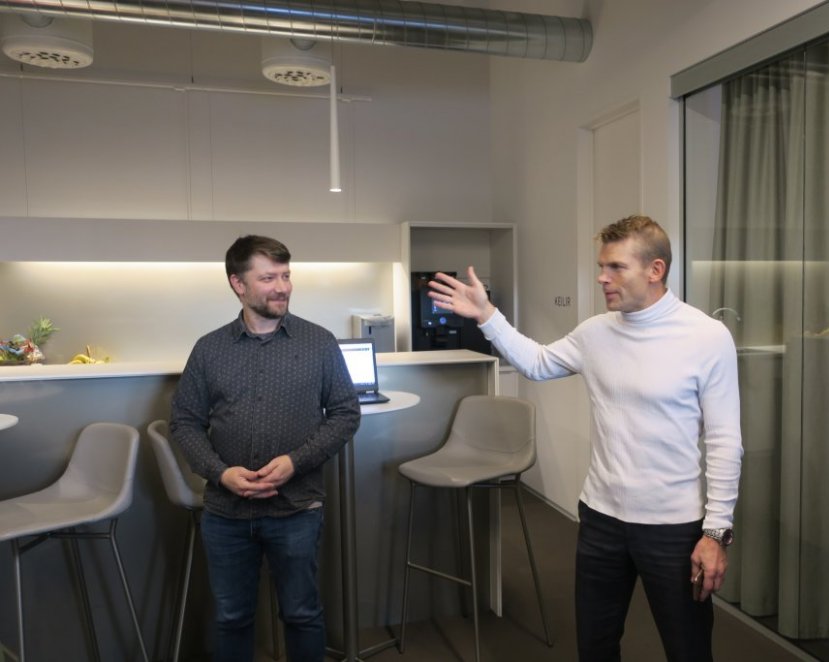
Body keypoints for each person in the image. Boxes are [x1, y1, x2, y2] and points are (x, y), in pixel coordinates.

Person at [428, 215, 743, 662]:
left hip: (673, 528)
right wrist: (487, 316)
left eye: (616, 267)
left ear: (655, 270)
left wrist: (715, 532)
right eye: (601, 266)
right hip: (600, 519)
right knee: (595, 647)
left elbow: (725, 442)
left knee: (688, 650)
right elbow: (538, 363)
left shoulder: (706, 337)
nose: (602, 278)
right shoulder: (596, 332)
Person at [170, 234, 361, 662]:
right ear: (238, 284)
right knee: (232, 618)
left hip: (297, 507)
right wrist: (220, 472)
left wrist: (296, 462)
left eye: (286, 276)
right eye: (269, 277)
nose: (283, 287)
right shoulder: (209, 349)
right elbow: (184, 421)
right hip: (226, 512)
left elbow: (346, 413)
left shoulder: (319, 342)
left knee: (302, 614)